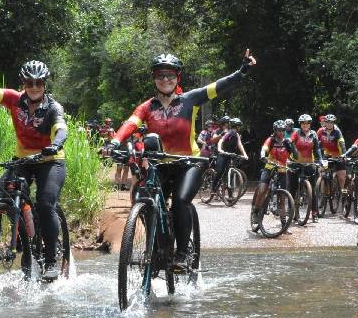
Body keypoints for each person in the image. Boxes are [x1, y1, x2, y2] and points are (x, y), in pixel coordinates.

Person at [105, 50, 258, 263]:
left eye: (170, 75)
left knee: (180, 201)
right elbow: (131, 124)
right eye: (160, 75)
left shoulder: (190, 99)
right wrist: (114, 142)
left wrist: (242, 71)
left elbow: (217, 87)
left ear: (178, 77)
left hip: (189, 163)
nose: (165, 79)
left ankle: (183, 253)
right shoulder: (147, 107)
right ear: (154, 78)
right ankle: (156, 249)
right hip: (160, 165)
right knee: (145, 199)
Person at [0, 41, 66, 280]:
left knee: (45, 204)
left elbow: (61, 128)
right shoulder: (14, 99)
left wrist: (55, 144)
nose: (34, 87)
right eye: (30, 83)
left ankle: (52, 260)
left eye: (39, 83)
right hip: (23, 159)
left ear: (45, 84)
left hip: (50, 160)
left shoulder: (54, 107)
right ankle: (25, 233)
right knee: (2, 191)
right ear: (24, 84)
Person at [255, 120, 299, 216]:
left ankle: (284, 224)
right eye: (279, 130)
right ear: (275, 130)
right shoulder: (271, 140)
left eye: (283, 130)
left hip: (282, 169)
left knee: (282, 197)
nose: (281, 132)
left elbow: (296, 156)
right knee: (262, 190)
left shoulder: (287, 142)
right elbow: (265, 148)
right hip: (270, 167)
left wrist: (292, 146)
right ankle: (256, 211)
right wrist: (263, 156)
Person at [289, 114, 326, 221]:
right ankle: (291, 210)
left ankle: (314, 213)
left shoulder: (313, 134)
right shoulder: (296, 133)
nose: (305, 125)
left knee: (313, 190)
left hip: (310, 163)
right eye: (303, 123)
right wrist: (293, 153)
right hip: (295, 163)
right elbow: (290, 142)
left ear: (310, 124)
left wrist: (320, 159)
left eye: (307, 123)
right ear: (300, 124)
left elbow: (317, 148)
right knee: (292, 187)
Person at [211, 117, 249, 194]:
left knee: (230, 174)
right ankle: (213, 188)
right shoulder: (223, 132)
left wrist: (245, 154)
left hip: (231, 154)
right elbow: (219, 141)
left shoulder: (236, 134)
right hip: (222, 154)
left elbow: (240, 145)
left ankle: (230, 195)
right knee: (220, 171)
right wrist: (220, 149)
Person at [317, 114, 347, 196]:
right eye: (327, 122)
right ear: (325, 123)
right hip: (327, 155)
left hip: (338, 155)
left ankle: (343, 194)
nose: (329, 124)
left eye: (331, 122)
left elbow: (342, 144)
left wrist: (343, 155)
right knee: (322, 172)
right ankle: (324, 194)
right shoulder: (320, 131)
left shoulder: (337, 131)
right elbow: (315, 144)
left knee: (341, 177)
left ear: (334, 123)